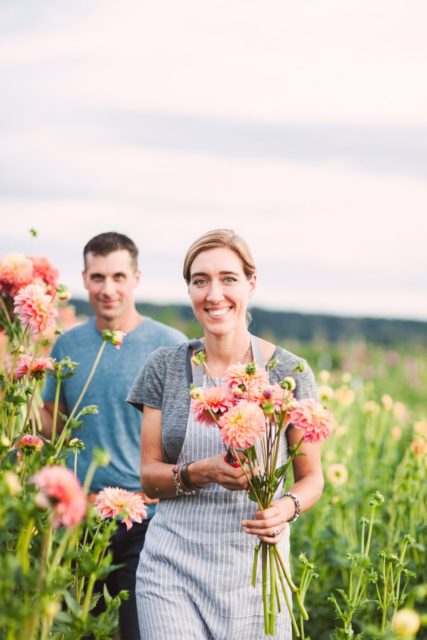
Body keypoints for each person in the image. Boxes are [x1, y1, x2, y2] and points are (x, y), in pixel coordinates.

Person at [127, 228, 325, 639]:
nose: (214, 294)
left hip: (256, 577)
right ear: (190, 290)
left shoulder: (290, 373)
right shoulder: (164, 367)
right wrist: (202, 472)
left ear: (251, 284)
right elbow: (148, 476)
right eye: (200, 281)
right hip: (171, 571)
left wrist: (285, 509)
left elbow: (312, 478)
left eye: (228, 278)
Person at [41, 231, 187, 640]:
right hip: (80, 518)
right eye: (98, 277)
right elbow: (54, 422)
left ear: (136, 278)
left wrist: (165, 484)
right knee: (76, 630)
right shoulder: (67, 345)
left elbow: (189, 431)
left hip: (149, 521)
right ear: (84, 279)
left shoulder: (170, 348)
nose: (108, 289)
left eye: (119, 276)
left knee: (139, 631)